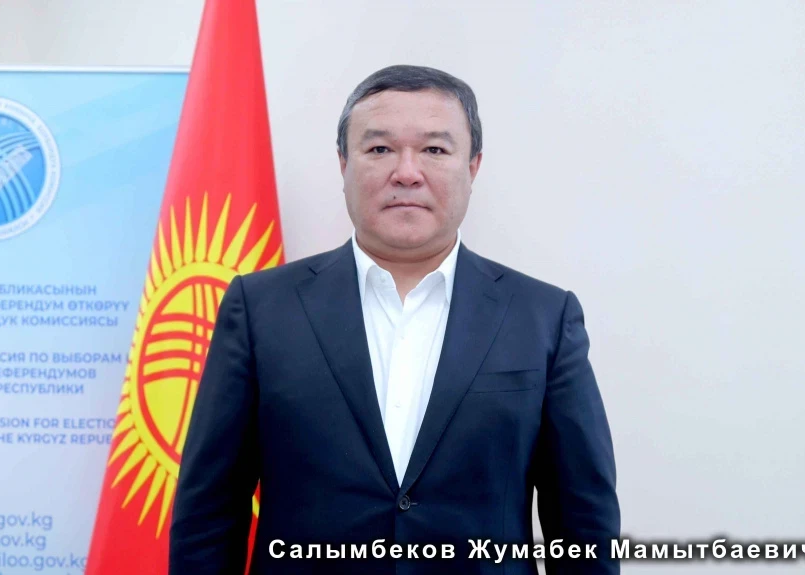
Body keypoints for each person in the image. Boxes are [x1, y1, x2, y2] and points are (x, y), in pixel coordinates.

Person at [170, 64, 620, 575]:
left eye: (435, 150)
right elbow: (209, 513)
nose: (407, 172)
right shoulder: (260, 308)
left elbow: (583, 525)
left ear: (472, 167)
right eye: (380, 149)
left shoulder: (543, 317)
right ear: (344, 164)